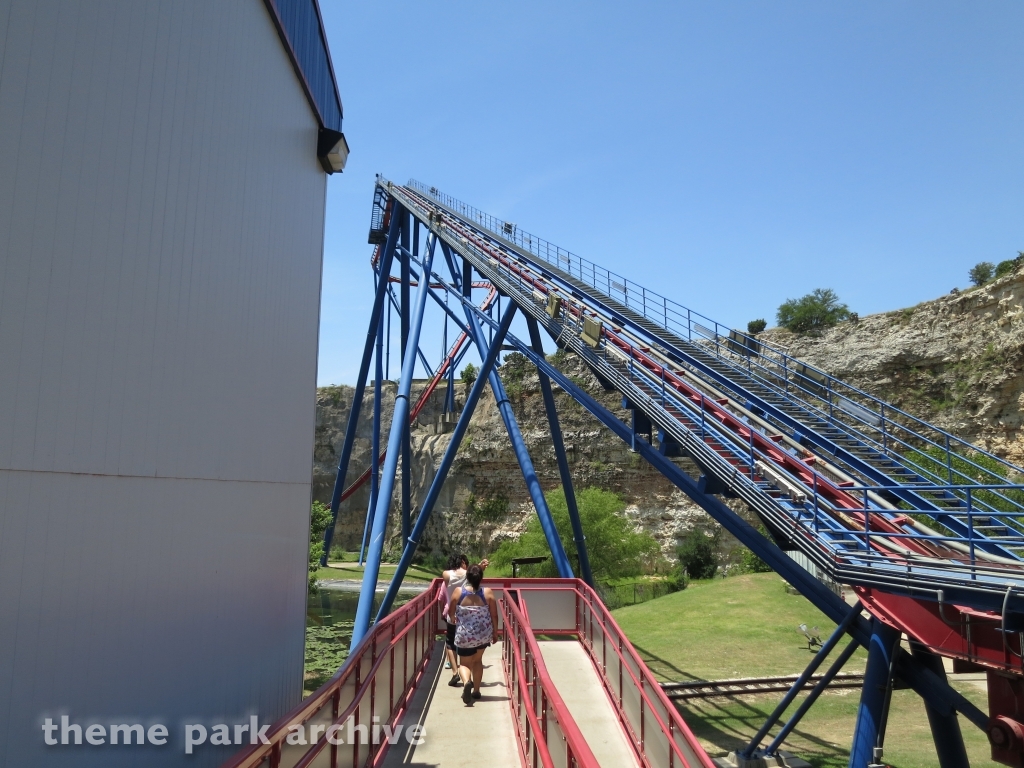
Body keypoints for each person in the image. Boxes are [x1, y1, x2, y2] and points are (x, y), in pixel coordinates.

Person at [448, 564, 498, 706]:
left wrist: (453, 618)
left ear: (467, 577)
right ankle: (476, 691)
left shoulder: (459, 592)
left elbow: (451, 611)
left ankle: (466, 683)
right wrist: (495, 632)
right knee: (477, 661)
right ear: (481, 577)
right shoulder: (487, 592)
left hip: (465, 635)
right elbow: (494, 615)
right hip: (483, 635)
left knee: (464, 663)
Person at [441, 554, 489, 687]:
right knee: (471, 650)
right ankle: (472, 681)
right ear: (463, 562)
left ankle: (455, 671)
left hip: (453, 614)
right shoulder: (468, 574)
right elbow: (473, 574)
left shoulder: (446, 574)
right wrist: (480, 566)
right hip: (467, 617)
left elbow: (447, 588)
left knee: (450, 643)